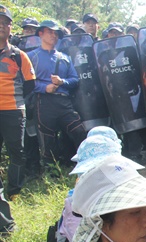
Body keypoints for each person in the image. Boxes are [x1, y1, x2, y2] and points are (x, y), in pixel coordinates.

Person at [27, 20, 86, 169]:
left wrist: (62, 82)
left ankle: (85, 165)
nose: (53, 35)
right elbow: (25, 82)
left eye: (56, 33)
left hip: (64, 102)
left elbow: (74, 80)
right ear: (40, 33)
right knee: (47, 141)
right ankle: (52, 176)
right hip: (43, 103)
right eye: (50, 32)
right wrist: (43, 88)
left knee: (79, 132)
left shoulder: (64, 58)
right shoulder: (31, 57)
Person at [0, 4, 35, 200]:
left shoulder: (19, 56)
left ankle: (13, 191)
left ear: (11, 28)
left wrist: (18, 99)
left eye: (5, 23)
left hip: (13, 110)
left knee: (17, 153)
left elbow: (30, 83)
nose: (1, 26)